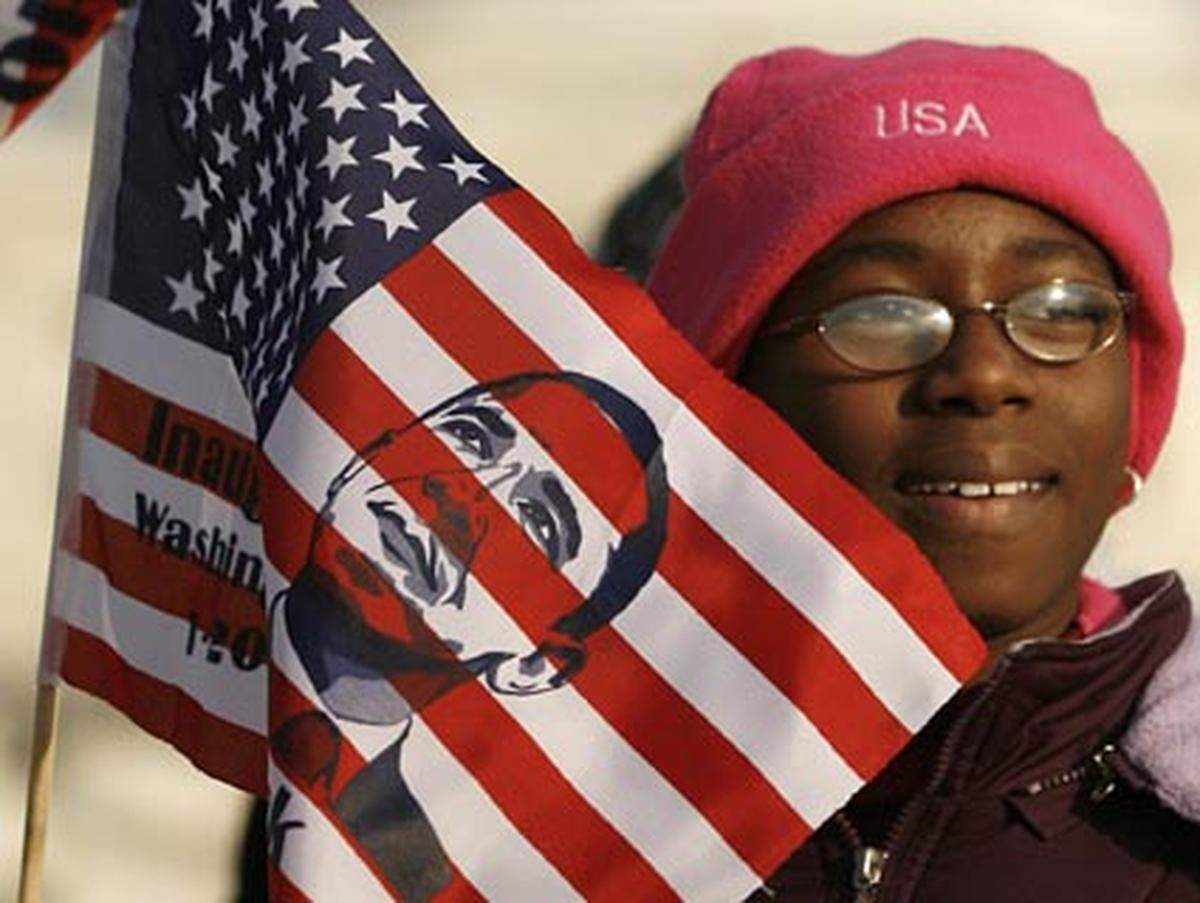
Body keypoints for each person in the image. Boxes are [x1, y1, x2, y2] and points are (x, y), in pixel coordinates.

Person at [646, 40, 1198, 900]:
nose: (983, 374)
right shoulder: (521, 794)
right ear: (731, 393)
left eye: (1060, 309)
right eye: (882, 313)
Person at [271, 370, 668, 899]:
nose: (462, 496)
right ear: (378, 442)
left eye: (537, 521)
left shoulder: (408, 879)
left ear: (538, 664)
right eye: (472, 437)